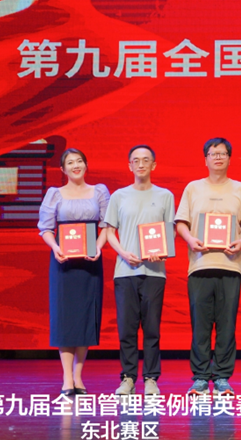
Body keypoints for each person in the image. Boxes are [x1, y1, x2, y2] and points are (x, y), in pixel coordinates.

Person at [175, 137, 241, 396]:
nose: (218, 157)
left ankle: (222, 377)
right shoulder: (193, 188)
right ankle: (200, 377)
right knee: (200, 324)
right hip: (200, 265)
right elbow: (181, 223)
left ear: (229, 158)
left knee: (226, 325)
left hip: (230, 266)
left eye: (222, 153)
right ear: (205, 159)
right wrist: (191, 240)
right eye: (213, 153)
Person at [37, 148, 109, 397]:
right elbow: (46, 229)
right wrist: (55, 247)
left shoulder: (99, 191)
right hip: (64, 262)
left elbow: (106, 225)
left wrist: (98, 248)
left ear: (86, 165)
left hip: (90, 261)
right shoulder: (54, 194)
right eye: (70, 162)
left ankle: (79, 375)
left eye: (80, 161)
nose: (76, 165)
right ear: (63, 169)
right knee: (65, 317)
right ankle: (67, 377)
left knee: (86, 316)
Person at [104, 145, 175, 396]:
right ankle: (128, 377)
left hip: (154, 272)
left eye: (146, 160)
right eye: (136, 160)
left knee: (152, 328)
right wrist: (123, 253)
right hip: (125, 271)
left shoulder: (165, 195)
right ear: (129, 166)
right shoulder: (119, 196)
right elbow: (109, 232)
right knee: (127, 328)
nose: (141, 164)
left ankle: (151, 378)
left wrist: (162, 251)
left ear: (154, 165)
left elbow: (170, 231)